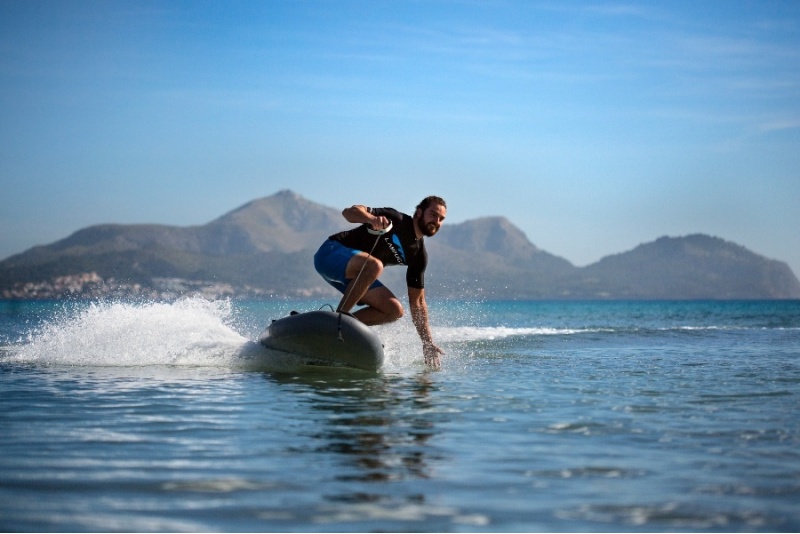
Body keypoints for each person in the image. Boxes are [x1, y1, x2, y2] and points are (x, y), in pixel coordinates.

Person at [314, 196, 447, 369]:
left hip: (354, 276)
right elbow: (349, 212)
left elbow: (418, 302)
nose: (436, 221)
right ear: (419, 212)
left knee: (394, 310)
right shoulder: (396, 219)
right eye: (433, 214)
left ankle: (334, 330)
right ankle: (340, 322)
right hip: (330, 254)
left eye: (441, 219)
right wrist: (371, 219)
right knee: (375, 265)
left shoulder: (419, 256)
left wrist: (427, 342)